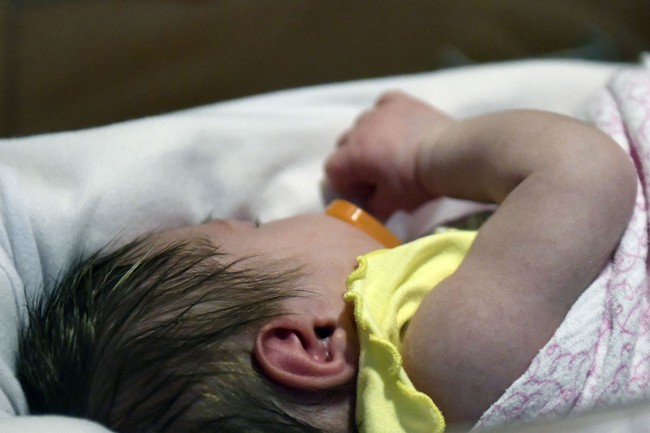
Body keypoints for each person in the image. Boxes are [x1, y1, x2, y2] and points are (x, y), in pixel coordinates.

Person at [17, 91, 637, 433]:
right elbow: (586, 172)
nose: (285, 215)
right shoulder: (449, 356)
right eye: (257, 228)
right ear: (308, 346)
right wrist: (427, 152)